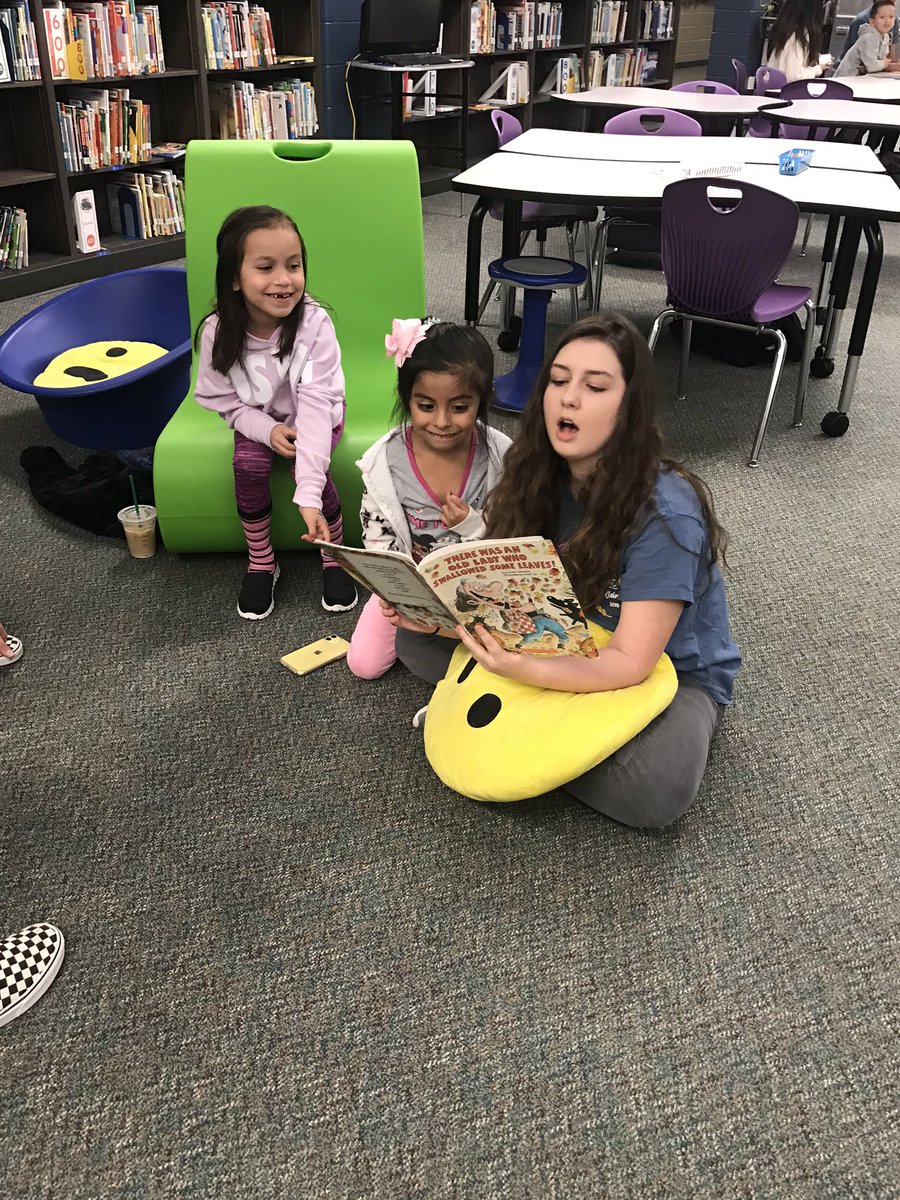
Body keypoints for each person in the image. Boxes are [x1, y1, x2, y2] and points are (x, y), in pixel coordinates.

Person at [381, 314, 742, 829]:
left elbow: (630, 663)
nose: (568, 398)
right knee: (414, 642)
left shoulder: (667, 513)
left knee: (655, 791)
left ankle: (510, 723)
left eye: (595, 387)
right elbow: (515, 599)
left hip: (668, 671)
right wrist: (439, 619)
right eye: (558, 380)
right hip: (563, 632)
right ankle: (539, 731)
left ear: (629, 408)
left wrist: (521, 671)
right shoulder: (534, 471)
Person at [194, 205, 357, 620]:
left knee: (317, 475)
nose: (284, 280)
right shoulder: (217, 331)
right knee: (246, 465)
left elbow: (318, 408)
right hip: (259, 419)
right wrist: (266, 430)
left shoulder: (315, 324)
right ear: (235, 278)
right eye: (265, 268)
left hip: (314, 418)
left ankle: (334, 556)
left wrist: (306, 491)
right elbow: (227, 403)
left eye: (294, 265)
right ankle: (262, 560)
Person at [346, 319, 512, 679]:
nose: (442, 421)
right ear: (407, 400)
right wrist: (397, 591)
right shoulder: (385, 464)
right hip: (411, 587)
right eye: (425, 406)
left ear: (481, 401)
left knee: (501, 655)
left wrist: (471, 524)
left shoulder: (499, 457)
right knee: (364, 665)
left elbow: (510, 537)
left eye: (459, 407)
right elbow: (376, 533)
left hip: (476, 584)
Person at [763, 0, 828, 80]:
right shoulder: (797, 37)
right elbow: (795, 76)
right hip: (783, 89)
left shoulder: (784, 28)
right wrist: (818, 69)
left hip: (773, 87)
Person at [835, 0, 900, 73]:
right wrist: (885, 64)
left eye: (891, 17)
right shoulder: (868, 36)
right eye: (882, 17)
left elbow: (886, 58)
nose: (887, 20)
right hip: (850, 76)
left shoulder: (886, 36)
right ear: (872, 22)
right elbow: (871, 65)